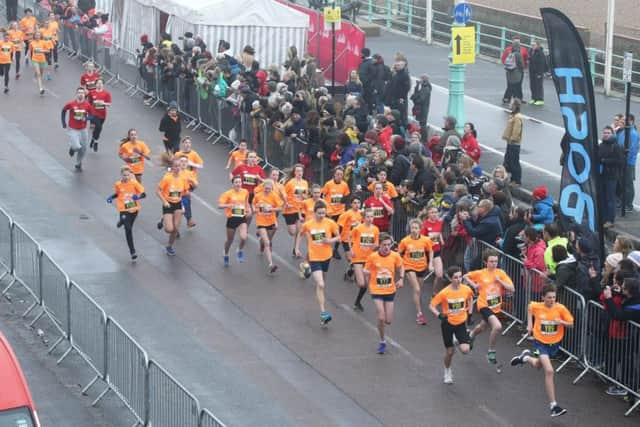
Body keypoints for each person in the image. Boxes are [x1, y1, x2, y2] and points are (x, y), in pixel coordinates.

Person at [510, 283, 574, 418]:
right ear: (543, 297)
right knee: (549, 370)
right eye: (549, 298)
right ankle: (553, 406)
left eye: (554, 298)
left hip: (554, 344)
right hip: (540, 342)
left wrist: (561, 322)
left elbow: (571, 324)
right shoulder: (537, 306)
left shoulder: (560, 308)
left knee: (538, 364)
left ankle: (525, 358)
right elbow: (529, 307)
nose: (552, 300)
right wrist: (529, 324)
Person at [464, 250, 515, 365]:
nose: (494, 263)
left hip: (495, 307)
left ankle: (471, 335)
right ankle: (491, 351)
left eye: (496, 261)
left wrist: (500, 281)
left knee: (482, 326)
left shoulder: (501, 273)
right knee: (497, 327)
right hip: (484, 305)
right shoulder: (481, 273)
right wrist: (474, 285)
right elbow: (465, 276)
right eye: (491, 261)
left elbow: (512, 288)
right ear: (485, 262)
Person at [295, 201, 340, 326]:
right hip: (314, 257)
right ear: (314, 213)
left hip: (327, 256)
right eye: (319, 213)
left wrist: (330, 240)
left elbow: (339, 237)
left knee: (322, 284)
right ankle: (323, 313)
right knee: (320, 284)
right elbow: (300, 233)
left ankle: (305, 267)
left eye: (323, 213)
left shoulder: (330, 223)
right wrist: (297, 248)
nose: (321, 215)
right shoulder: (309, 224)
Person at [429, 266, 474, 384]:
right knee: (450, 352)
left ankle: (459, 339)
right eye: (455, 278)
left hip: (460, 324)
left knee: (465, 350)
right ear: (450, 278)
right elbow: (432, 305)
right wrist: (439, 315)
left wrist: (469, 314)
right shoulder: (444, 292)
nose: (458, 280)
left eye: (460, 277)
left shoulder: (466, 289)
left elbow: (470, 299)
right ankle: (447, 371)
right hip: (447, 324)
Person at [364, 232, 404, 354]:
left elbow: (401, 266)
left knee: (388, 320)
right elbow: (366, 271)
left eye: (389, 244)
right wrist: (368, 283)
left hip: (390, 290)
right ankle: (382, 341)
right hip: (376, 290)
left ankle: (383, 329)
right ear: (379, 245)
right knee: (381, 316)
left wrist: (401, 278)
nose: (387, 247)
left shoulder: (395, 256)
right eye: (384, 245)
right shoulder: (373, 257)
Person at [398, 219, 434, 325]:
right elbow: (399, 254)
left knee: (418, 290)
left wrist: (430, 263)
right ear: (410, 228)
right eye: (412, 228)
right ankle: (419, 314)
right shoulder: (405, 241)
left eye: (416, 228)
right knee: (417, 289)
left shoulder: (426, 240)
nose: (414, 230)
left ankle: (417, 299)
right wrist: (402, 267)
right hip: (409, 267)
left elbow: (430, 251)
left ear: (420, 229)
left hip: (422, 267)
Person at [106, 166, 145, 261]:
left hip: (134, 209)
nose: (126, 177)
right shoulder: (118, 184)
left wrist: (138, 196)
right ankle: (132, 251)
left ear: (130, 175)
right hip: (123, 209)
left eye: (128, 175)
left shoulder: (134, 183)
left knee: (128, 225)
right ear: (121, 175)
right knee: (128, 229)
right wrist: (111, 197)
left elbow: (144, 194)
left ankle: (121, 221)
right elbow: (118, 193)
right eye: (124, 175)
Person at [156, 158, 192, 256]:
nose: (178, 168)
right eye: (176, 166)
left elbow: (185, 191)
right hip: (168, 204)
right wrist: (164, 201)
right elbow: (158, 191)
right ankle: (164, 220)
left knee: (176, 229)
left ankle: (169, 246)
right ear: (172, 167)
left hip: (178, 204)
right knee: (169, 229)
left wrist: (188, 193)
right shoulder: (167, 178)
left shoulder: (183, 178)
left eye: (179, 166)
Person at [218, 176, 251, 266]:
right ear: (232, 184)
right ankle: (226, 254)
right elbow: (220, 205)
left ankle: (239, 250)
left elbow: (246, 202)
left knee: (244, 237)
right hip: (231, 219)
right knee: (230, 240)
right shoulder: (227, 194)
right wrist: (229, 205)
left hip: (241, 218)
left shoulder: (245, 192)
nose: (238, 184)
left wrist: (248, 209)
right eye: (236, 182)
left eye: (240, 182)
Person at [351, 209, 380, 311]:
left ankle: (357, 302)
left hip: (369, 259)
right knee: (361, 283)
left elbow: (376, 244)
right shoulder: (358, 228)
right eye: (367, 217)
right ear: (364, 218)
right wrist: (351, 250)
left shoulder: (376, 230)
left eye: (371, 217)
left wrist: (375, 246)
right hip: (358, 257)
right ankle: (353, 271)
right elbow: (349, 238)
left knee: (366, 285)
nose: (370, 219)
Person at [252, 179, 283, 274]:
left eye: (269, 189)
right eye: (266, 188)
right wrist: (255, 210)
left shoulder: (274, 196)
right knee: (267, 242)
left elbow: (280, 208)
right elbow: (253, 205)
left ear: (272, 189)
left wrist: (271, 208)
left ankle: (262, 243)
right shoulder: (258, 196)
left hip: (271, 221)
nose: (267, 190)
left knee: (267, 240)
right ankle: (271, 264)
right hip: (261, 222)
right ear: (263, 188)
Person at [321, 166, 350, 259]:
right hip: (330, 212)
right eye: (337, 174)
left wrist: (343, 200)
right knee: (329, 231)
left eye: (341, 174)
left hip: (340, 211)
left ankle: (335, 250)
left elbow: (347, 196)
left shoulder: (344, 185)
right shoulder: (328, 184)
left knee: (339, 231)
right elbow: (322, 196)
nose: (339, 176)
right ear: (334, 175)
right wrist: (325, 209)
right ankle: (325, 247)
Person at [598, 125, 624, 227]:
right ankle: (604, 218)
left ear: (612, 134)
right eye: (604, 133)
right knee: (603, 198)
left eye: (608, 133)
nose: (606, 135)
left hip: (611, 177)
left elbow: (620, 161)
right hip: (602, 175)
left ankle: (610, 220)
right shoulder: (601, 145)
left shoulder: (616, 146)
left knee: (610, 199)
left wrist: (605, 161)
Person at [61, 87, 91, 171]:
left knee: (84, 148)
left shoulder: (87, 105)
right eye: (79, 92)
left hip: (83, 129)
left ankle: (78, 163)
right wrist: (63, 123)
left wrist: (87, 118)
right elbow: (63, 110)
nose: (80, 94)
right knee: (77, 147)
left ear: (84, 94)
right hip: (73, 129)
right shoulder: (71, 104)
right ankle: (72, 148)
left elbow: (92, 116)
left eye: (82, 93)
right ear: (76, 94)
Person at [176, 136, 204, 228]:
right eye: (186, 143)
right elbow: (172, 165)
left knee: (185, 198)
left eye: (189, 143)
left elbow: (201, 165)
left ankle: (187, 218)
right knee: (184, 199)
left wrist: (192, 164)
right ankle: (188, 219)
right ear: (182, 144)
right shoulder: (178, 154)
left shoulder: (194, 154)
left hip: (190, 181)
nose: (187, 144)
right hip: (179, 181)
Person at [231, 151, 265, 223]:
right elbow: (232, 174)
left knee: (249, 215)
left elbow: (265, 182)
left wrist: (260, 178)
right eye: (250, 157)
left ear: (256, 159)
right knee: (239, 214)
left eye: (254, 157)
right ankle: (239, 224)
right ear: (247, 158)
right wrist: (234, 183)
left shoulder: (259, 169)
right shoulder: (241, 167)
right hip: (241, 193)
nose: (252, 159)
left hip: (252, 194)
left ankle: (245, 227)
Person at [283, 164, 308, 256]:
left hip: (300, 209)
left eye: (301, 171)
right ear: (294, 172)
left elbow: (306, 196)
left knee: (300, 230)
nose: (299, 173)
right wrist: (286, 203)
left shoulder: (305, 183)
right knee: (292, 232)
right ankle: (295, 248)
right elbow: (283, 195)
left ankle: (296, 249)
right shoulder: (290, 183)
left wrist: (305, 197)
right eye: (297, 171)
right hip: (290, 210)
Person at [617, 114, 638, 211]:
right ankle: (622, 202)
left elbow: (632, 149)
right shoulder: (623, 132)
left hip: (628, 163)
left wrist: (624, 159)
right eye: (623, 120)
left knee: (628, 184)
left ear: (631, 121)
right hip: (621, 161)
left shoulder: (633, 134)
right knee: (621, 182)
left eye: (625, 120)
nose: (623, 121)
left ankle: (629, 204)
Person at [337, 197, 363, 279]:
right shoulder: (347, 214)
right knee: (349, 259)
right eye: (355, 203)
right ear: (351, 204)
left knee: (354, 259)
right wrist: (338, 236)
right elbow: (340, 226)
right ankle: (350, 272)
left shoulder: (362, 214)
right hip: (346, 239)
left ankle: (351, 273)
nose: (357, 205)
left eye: (358, 203)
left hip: (356, 240)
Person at [502, 99, 523, 186]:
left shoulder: (517, 117)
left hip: (513, 143)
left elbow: (516, 131)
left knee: (514, 162)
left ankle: (516, 180)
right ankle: (510, 178)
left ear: (514, 106)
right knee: (508, 161)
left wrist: (512, 139)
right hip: (510, 142)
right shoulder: (513, 115)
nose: (509, 105)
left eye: (511, 103)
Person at [87, 78, 112, 152]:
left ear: (103, 85)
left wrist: (103, 103)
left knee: (97, 129)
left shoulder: (106, 93)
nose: (99, 85)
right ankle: (96, 142)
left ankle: (93, 139)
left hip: (102, 114)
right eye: (98, 83)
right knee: (99, 127)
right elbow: (89, 102)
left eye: (101, 83)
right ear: (95, 84)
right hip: (94, 113)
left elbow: (109, 104)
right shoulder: (92, 92)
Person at [501, 36, 527, 103]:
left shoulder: (510, 51)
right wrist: (523, 67)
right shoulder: (518, 52)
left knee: (511, 84)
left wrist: (508, 66)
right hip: (517, 71)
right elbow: (523, 62)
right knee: (516, 85)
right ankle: (516, 98)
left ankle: (507, 98)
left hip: (509, 70)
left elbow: (504, 59)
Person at [28, 30, 50, 95]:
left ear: (40, 36)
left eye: (38, 35)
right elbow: (30, 50)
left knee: (41, 73)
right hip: (35, 59)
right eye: (36, 35)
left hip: (42, 60)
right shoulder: (32, 43)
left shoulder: (43, 42)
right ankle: (41, 88)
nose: (37, 36)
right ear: (34, 36)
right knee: (39, 74)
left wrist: (41, 50)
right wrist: (27, 56)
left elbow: (48, 51)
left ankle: (36, 75)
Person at [528, 40, 547, 106]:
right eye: (532, 45)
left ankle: (540, 99)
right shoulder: (531, 51)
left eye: (534, 45)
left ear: (538, 45)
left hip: (538, 72)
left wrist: (539, 73)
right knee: (532, 85)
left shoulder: (540, 53)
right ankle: (534, 98)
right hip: (532, 72)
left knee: (538, 86)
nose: (532, 46)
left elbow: (542, 64)